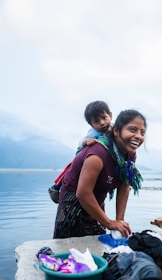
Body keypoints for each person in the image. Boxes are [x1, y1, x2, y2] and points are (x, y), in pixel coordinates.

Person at [53, 109, 146, 239]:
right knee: (67, 245)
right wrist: (108, 222)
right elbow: (83, 193)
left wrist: (119, 221)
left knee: (98, 242)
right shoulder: (98, 154)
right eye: (132, 130)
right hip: (73, 204)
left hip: (96, 201)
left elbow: (124, 186)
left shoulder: (129, 154)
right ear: (116, 131)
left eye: (142, 132)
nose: (138, 136)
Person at [48, 101, 113, 203]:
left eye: (104, 118)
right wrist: (87, 142)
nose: (102, 122)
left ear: (110, 115)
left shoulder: (115, 128)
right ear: (91, 124)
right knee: (70, 170)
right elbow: (80, 142)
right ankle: (55, 187)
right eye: (96, 121)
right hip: (84, 156)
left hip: (99, 160)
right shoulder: (93, 132)